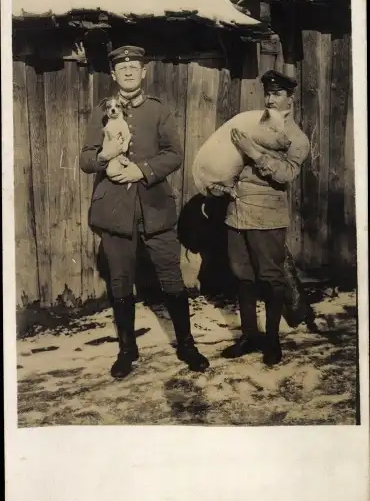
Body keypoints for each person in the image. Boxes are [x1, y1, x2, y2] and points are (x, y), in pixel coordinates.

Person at [80, 45, 209, 379]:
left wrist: (142, 170)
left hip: (155, 208)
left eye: (134, 67)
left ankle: (186, 344)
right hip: (114, 211)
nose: (128, 72)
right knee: (120, 280)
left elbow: (175, 154)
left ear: (144, 71)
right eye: (122, 69)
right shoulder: (101, 111)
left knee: (171, 276)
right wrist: (105, 161)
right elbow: (85, 159)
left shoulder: (158, 110)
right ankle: (127, 350)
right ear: (113, 74)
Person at [221, 70, 310, 366]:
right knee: (242, 276)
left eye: (278, 94)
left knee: (270, 278)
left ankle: (271, 339)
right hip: (236, 212)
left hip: (267, 216)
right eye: (268, 94)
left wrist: (254, 153)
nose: (271, 99)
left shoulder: (295, 137)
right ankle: (249, 336)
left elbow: (286, 174)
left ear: (290, 98)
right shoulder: (250, 124)